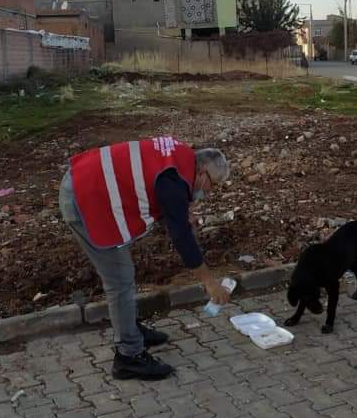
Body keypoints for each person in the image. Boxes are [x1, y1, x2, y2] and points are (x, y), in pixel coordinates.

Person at [59, 136, 230, 381]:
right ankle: (128, 356)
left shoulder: (180, 157)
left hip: (89, 184)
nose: (209, 192)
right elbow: (181, 237)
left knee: (123, 273)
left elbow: (159, 191)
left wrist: (180, 212)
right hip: (85, 199)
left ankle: (130, 329)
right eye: (212, 184)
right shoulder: (175, 180)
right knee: (119, 279)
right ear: (202, 171)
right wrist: (209, 282)